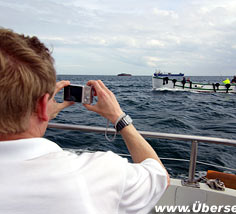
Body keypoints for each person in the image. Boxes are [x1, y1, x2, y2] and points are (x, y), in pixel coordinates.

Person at [0, 28, 169, 214]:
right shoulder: (96, 174)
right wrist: (118, 117)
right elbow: (160, 177)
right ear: (42, 106)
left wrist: (40, 114)